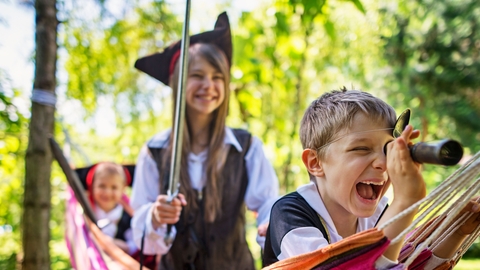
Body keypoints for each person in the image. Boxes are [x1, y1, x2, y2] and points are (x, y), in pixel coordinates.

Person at [262, 88, 480, 269]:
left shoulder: (380, 216)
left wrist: (457, 231)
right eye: (362, 148)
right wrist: (405, 201)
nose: (383, 163)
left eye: (388, 150)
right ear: (315, 163)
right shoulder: (289, 214)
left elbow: (405, 266)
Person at [130, 12, 279, 269]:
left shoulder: (246, 148)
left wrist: (272, 226)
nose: (208, 85)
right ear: (178, 82)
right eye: (197, 75)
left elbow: (268, 204)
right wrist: (155, 217)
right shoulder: (155, 151)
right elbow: (140, 231)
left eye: (218, 77)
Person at [84, 162, 138, 256]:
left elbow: (136, 244)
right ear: (92, 186)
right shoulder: (85, 212)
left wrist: (124, 246)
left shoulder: (129, 216)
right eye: (102, 186)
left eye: (114, 187)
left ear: (123, 189)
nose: (107, 192)